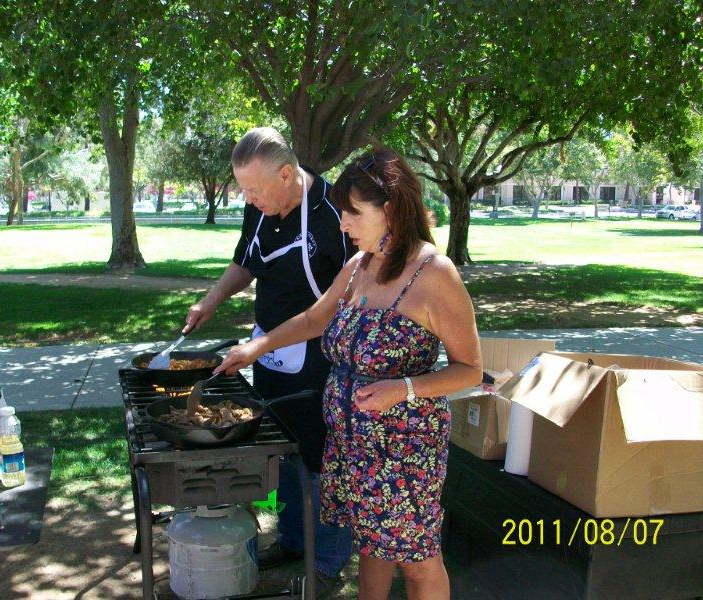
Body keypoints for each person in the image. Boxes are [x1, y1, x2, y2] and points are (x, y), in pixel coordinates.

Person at [216, 148, 483, 600]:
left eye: (353, 213)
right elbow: (312, 320)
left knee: (417, 561)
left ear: (392, 209)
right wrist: (255, 347)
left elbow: (470, 370)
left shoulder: (434, 273)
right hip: (353, 445)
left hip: (404, 453)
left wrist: (403, 389)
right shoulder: (361, 266)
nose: (342, 224)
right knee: (372, 551)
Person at [183, 127, 354, 592]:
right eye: (243, 190)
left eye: (254, 190)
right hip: (269, 350)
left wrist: (258, 347)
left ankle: (329, 559)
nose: (248, 199)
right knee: (282, 449)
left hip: (321, 356)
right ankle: (297, 541)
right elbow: (247, 259)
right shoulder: (260, 205)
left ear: (286, 174)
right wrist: (212, 300)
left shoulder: (334, 214)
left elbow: (337, 307)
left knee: (323, 458)